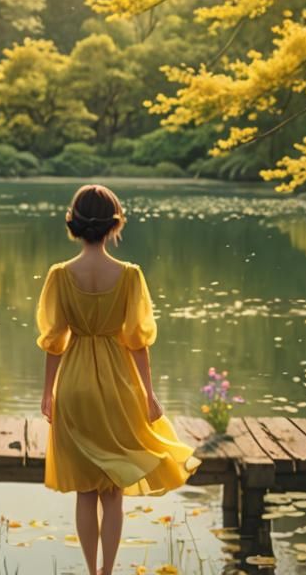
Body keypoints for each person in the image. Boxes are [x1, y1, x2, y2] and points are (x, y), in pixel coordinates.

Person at [36, 183, 200, 575]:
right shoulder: (128, 276)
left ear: (73, 223)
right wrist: (149, 393)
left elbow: (54, 341)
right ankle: (107, 573)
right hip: (118, 385)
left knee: (84, 489)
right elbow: (138, 341)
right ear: (114, 224)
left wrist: (48, 392)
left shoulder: (60, 275)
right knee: (112, 492)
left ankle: (91, 572)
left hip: (74, 384)